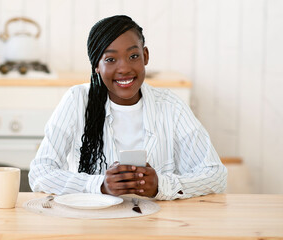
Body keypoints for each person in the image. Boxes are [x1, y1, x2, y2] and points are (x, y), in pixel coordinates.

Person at [29, 15, 227, 200]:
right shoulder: (77, 100)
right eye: (110, 59)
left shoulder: (171, 107)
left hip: (157, 226)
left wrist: (161, 186)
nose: (124, 68)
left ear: (145, 56)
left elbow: (216, 175)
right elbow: (40, 172)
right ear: (96, 65)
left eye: (133, 56)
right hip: (93, 225)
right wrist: (99, 185)